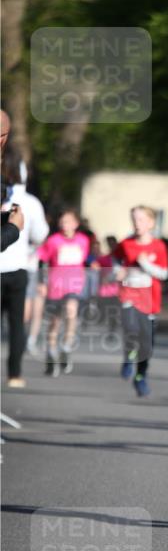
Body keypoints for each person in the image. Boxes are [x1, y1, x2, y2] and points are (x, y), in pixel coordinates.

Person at [0, 146, 49, 385]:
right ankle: (15, 374)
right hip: (18, 268)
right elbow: (40, 234)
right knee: (17, 324)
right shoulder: (30, 202)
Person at [113, 207, 168, 397]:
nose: (137, 224)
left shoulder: (159, 246)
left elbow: (164, 273)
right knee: (131, 328)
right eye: (135, 220)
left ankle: (140, 376)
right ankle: (128, 356)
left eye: (142, 220)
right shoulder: (126, 243)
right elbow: (114, 260)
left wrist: (146, 264)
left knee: (147, 344)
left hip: (150, 300)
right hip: (129, 295)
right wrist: (117, 272)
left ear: (151, 223)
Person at [37, 209, 89, 375]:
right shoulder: (53, 241)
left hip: (74, 285)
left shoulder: (83, 241)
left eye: (68, 221)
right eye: (62, 221)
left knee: (71, 312)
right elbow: (42, 261)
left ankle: (66, 346)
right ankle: (51, 355)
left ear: (76, 223)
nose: (64, 225)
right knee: (55, 322)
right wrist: (41, 282)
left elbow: (84, 260)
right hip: (55, 286)